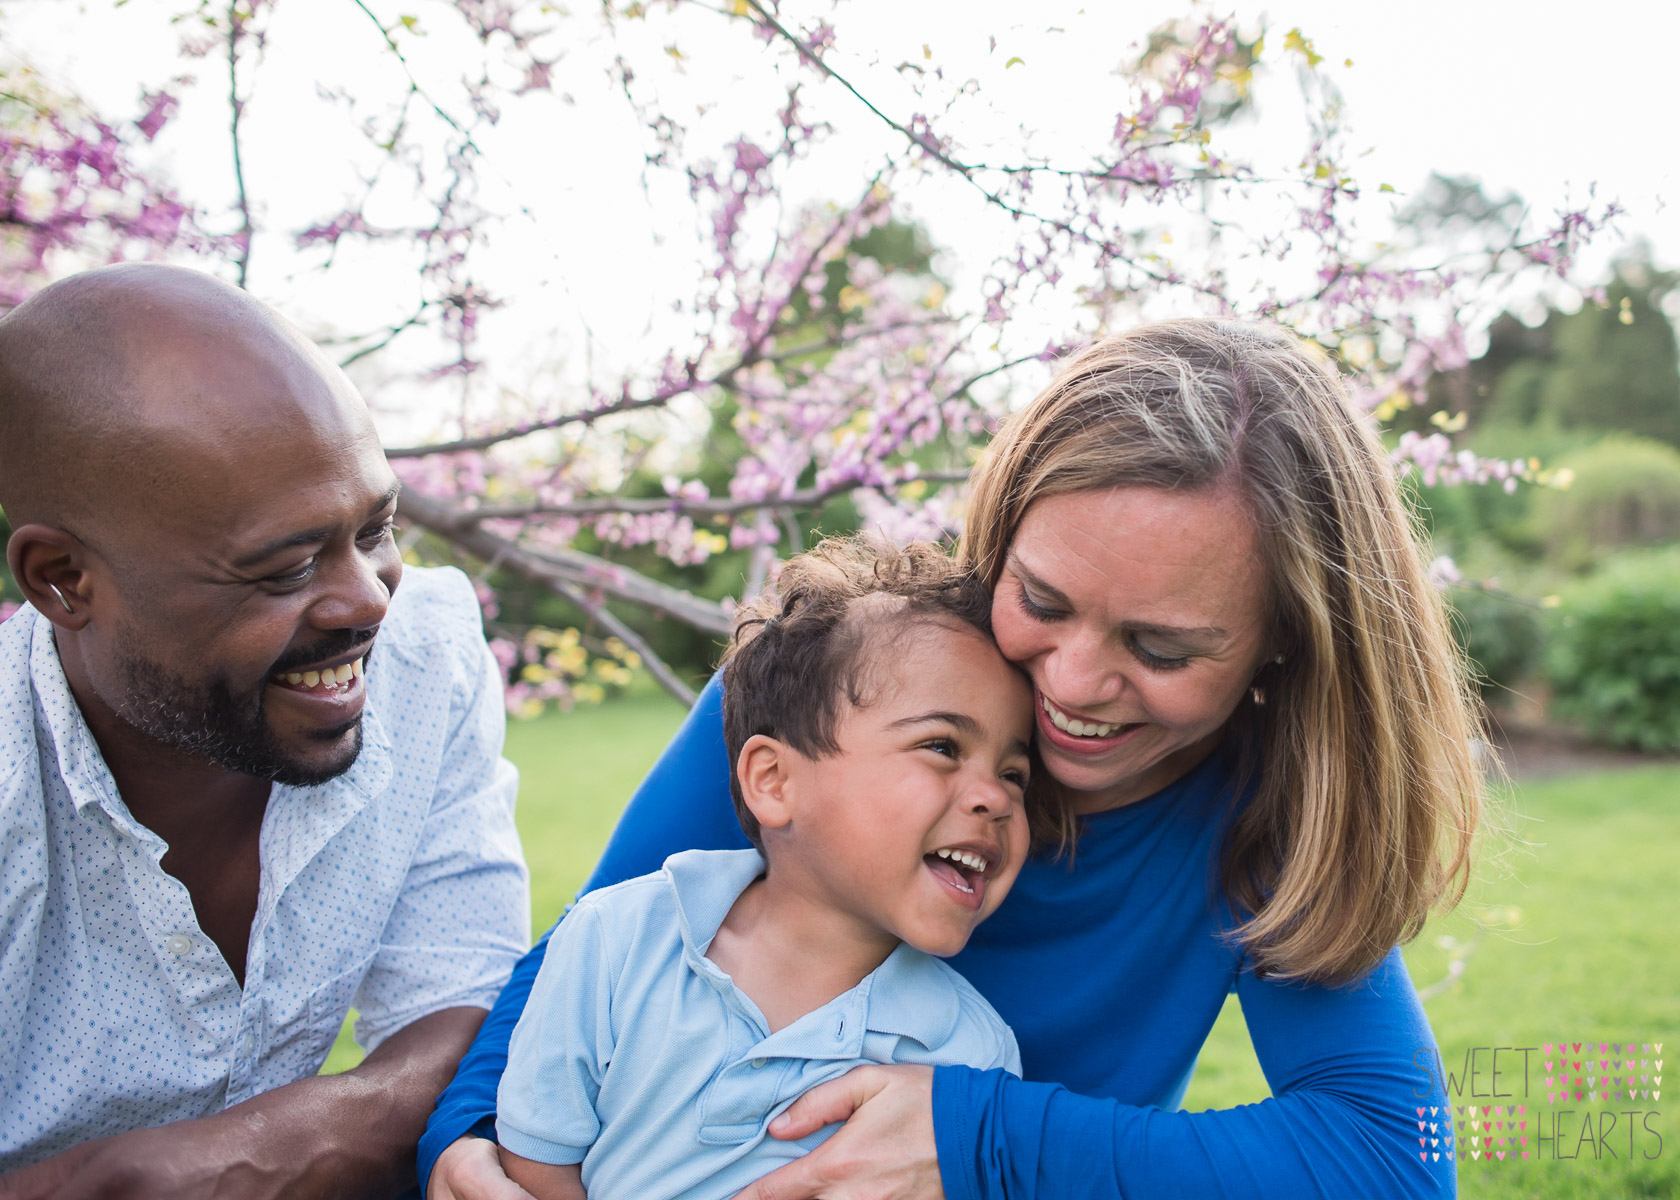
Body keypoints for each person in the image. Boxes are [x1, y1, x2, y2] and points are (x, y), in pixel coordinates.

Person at [421, 318, 1480, 1200]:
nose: (1069, 681)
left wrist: (984, 1138)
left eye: (1159, 648)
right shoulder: (836, 690)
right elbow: (598, 950)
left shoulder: (1262, 811)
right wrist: (464, 1138)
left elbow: (1392, 1157)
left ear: (1283, 645)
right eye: (1043, 601)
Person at [0, 264, 529, 1198]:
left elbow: (472, 1011)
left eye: (375, 529)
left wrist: (196, 1165)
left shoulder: (423, 657)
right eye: (284, 569)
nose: (368, 600)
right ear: (63, 580)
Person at [497, 537, 1045, 1200]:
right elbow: (534, 1167)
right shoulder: (616, 942)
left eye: (1014, 774)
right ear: (775, 780)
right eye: (942, 745)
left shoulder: (970, 1058)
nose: (996, 796)